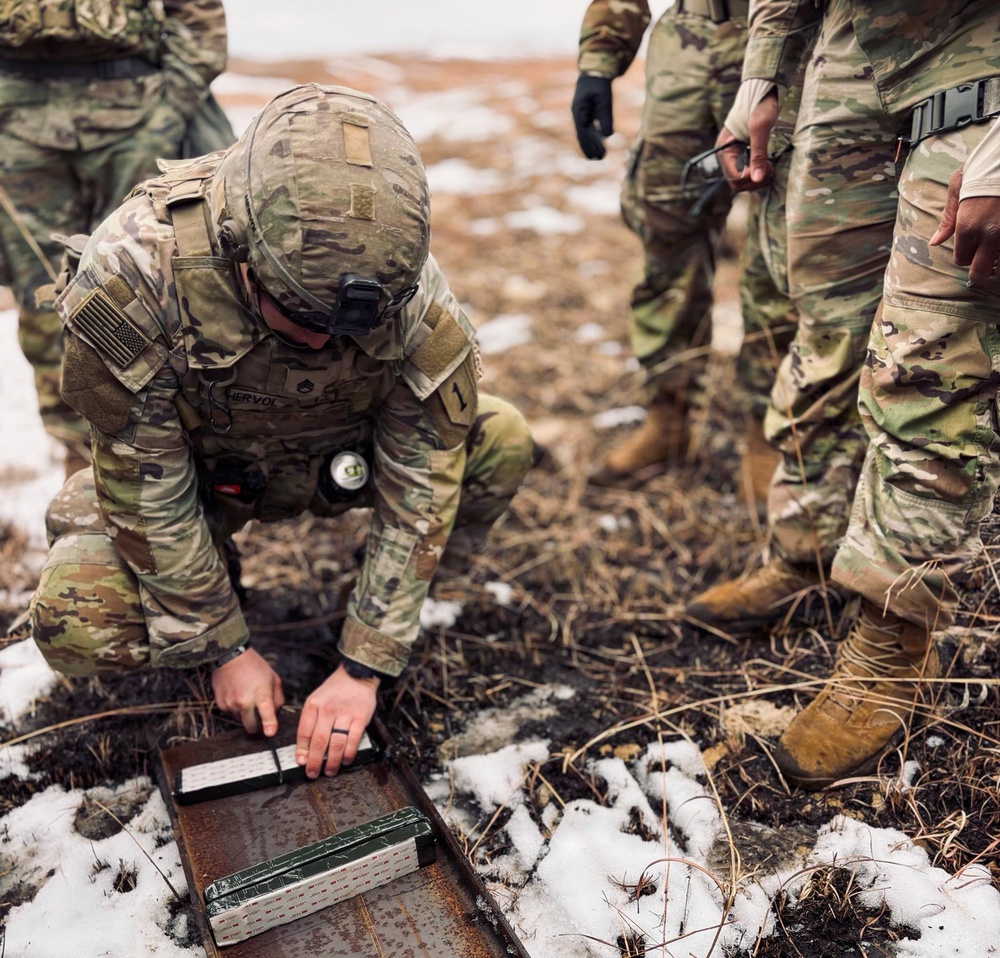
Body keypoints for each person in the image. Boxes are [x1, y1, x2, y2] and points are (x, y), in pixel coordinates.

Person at [21, 84, 536, 780]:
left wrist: (364, 662)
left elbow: (422, 478)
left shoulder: (402, 284)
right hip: (207, 480)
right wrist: (224, 647)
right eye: (305, 320)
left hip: (338, 458)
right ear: (243, 258)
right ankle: (217, 593)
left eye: (349, 329)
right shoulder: (137, 273)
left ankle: (404, 604)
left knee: (497, 437)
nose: (328, 344)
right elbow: (147, 488)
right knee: (77, 611)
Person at [693, 0, 1000, 785]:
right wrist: (764, 73)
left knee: (927, 357)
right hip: (846, 49)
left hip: (976, 52)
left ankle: (892, 639)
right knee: (825, 327)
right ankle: (808, 554)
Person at [571, 0, 797, 492]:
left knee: (779, 251)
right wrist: (599, 59)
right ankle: (669, 422)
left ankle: (769, 432)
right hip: (687, 46)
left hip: (790, 39)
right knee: (667, 235)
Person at [0, 0, 228, 478]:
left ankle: (170, 453)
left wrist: (170, 111)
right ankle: (82, 468)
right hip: (14, 118)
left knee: (154, 287)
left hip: (135, 115)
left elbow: (199, 13)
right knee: (42, 297)